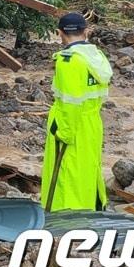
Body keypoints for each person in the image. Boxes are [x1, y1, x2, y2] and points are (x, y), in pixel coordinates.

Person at [42, 12, 111, 212]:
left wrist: (62, 132)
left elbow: (69, 103)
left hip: (71, 127)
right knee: (88, 170)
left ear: (59, 33)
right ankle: (92, 208)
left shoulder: (69, 61)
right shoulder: (96, 57)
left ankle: (64, 215)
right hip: (92, 123)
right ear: (86, 31)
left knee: (66, 173)